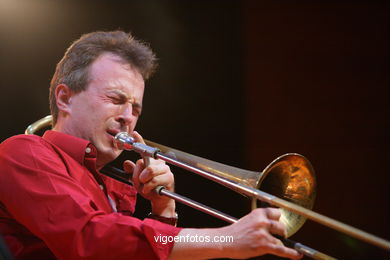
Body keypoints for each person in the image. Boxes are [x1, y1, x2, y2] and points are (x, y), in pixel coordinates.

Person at [0, 31, 302, 260]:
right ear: (65, 98)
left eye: (136, 108)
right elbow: (92, 239)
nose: (128, 117)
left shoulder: (112, 184)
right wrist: (224, 239)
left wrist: (164, 209)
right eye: (116, 99)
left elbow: (134, 252)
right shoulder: (23, 152)